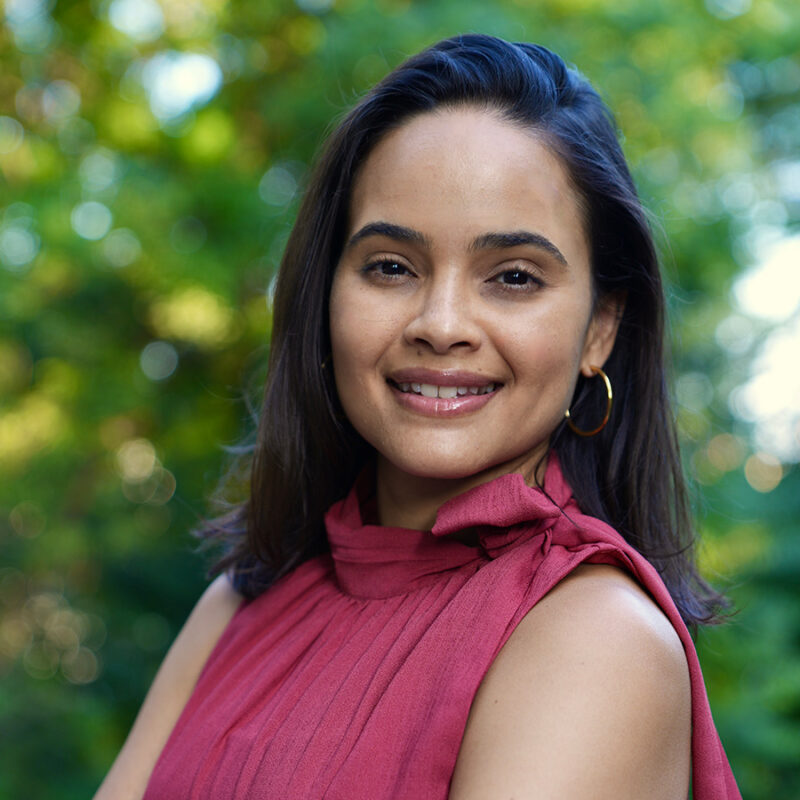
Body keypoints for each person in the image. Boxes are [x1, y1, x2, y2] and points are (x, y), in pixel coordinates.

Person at [94, 34, 741, 799]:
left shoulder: (597, 637)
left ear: (599, 329)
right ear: (325, 297)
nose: (441, 324)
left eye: (513, 277)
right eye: (391, 267)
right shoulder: (238, 604)